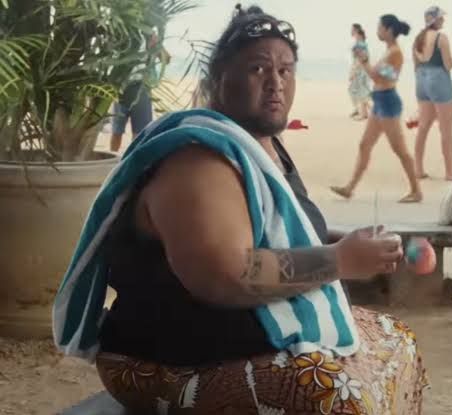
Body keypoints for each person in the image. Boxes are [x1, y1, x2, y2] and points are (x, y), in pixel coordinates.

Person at [53, 6, 426, 414]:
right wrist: (338, 259)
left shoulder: (259, 145)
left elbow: (276, 231)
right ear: (218, 79)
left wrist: (355, 246)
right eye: (257, 69)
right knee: (339, 396)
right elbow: (226, 275)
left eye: (285, 70)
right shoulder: (196, 160)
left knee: (398, 342)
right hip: (169, 360)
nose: (275, 83)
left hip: (237, 340)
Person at [331, 15, 423, 203]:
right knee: (364, 145)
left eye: (380, 28)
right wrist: (364, 61)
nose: (377, 31)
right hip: (380, 101)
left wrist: (364, 61)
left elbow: (380, 78)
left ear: (389, 30)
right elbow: (378, 75)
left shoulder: (395, 53)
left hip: (388, 103)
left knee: (400, 149)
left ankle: (416, 190)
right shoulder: (389, 51)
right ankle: (350, 188)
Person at [412, 6, 452, 181]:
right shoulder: (441, 38)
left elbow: (416, 65)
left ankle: (418, 169)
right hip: (439, 81)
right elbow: (448, 65)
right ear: (434, 20)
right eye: (441, 18)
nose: (443, 20)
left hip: (421, 80)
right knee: (446, 129)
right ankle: (449, 172)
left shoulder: (418, 39)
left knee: (423, 127)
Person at [110, 31, 170, 152]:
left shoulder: (149, 34)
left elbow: (167, 59)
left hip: (142, 88)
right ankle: (112, 159)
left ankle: (134, 160)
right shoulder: (122, 31)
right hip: (121, 87)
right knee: (117, 131)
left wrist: (157, 45)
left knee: (140, 134)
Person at [348, 23, 372, 121]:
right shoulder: (361, 44)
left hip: (360, 71)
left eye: (352, 29)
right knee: (360, 91)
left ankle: (370, 112)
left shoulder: (360, 44)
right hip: (362, 70)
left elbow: (361, 59)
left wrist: (354, 72)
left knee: (360, 92)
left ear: (357, 32)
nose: (351, 31)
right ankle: (362, 111)